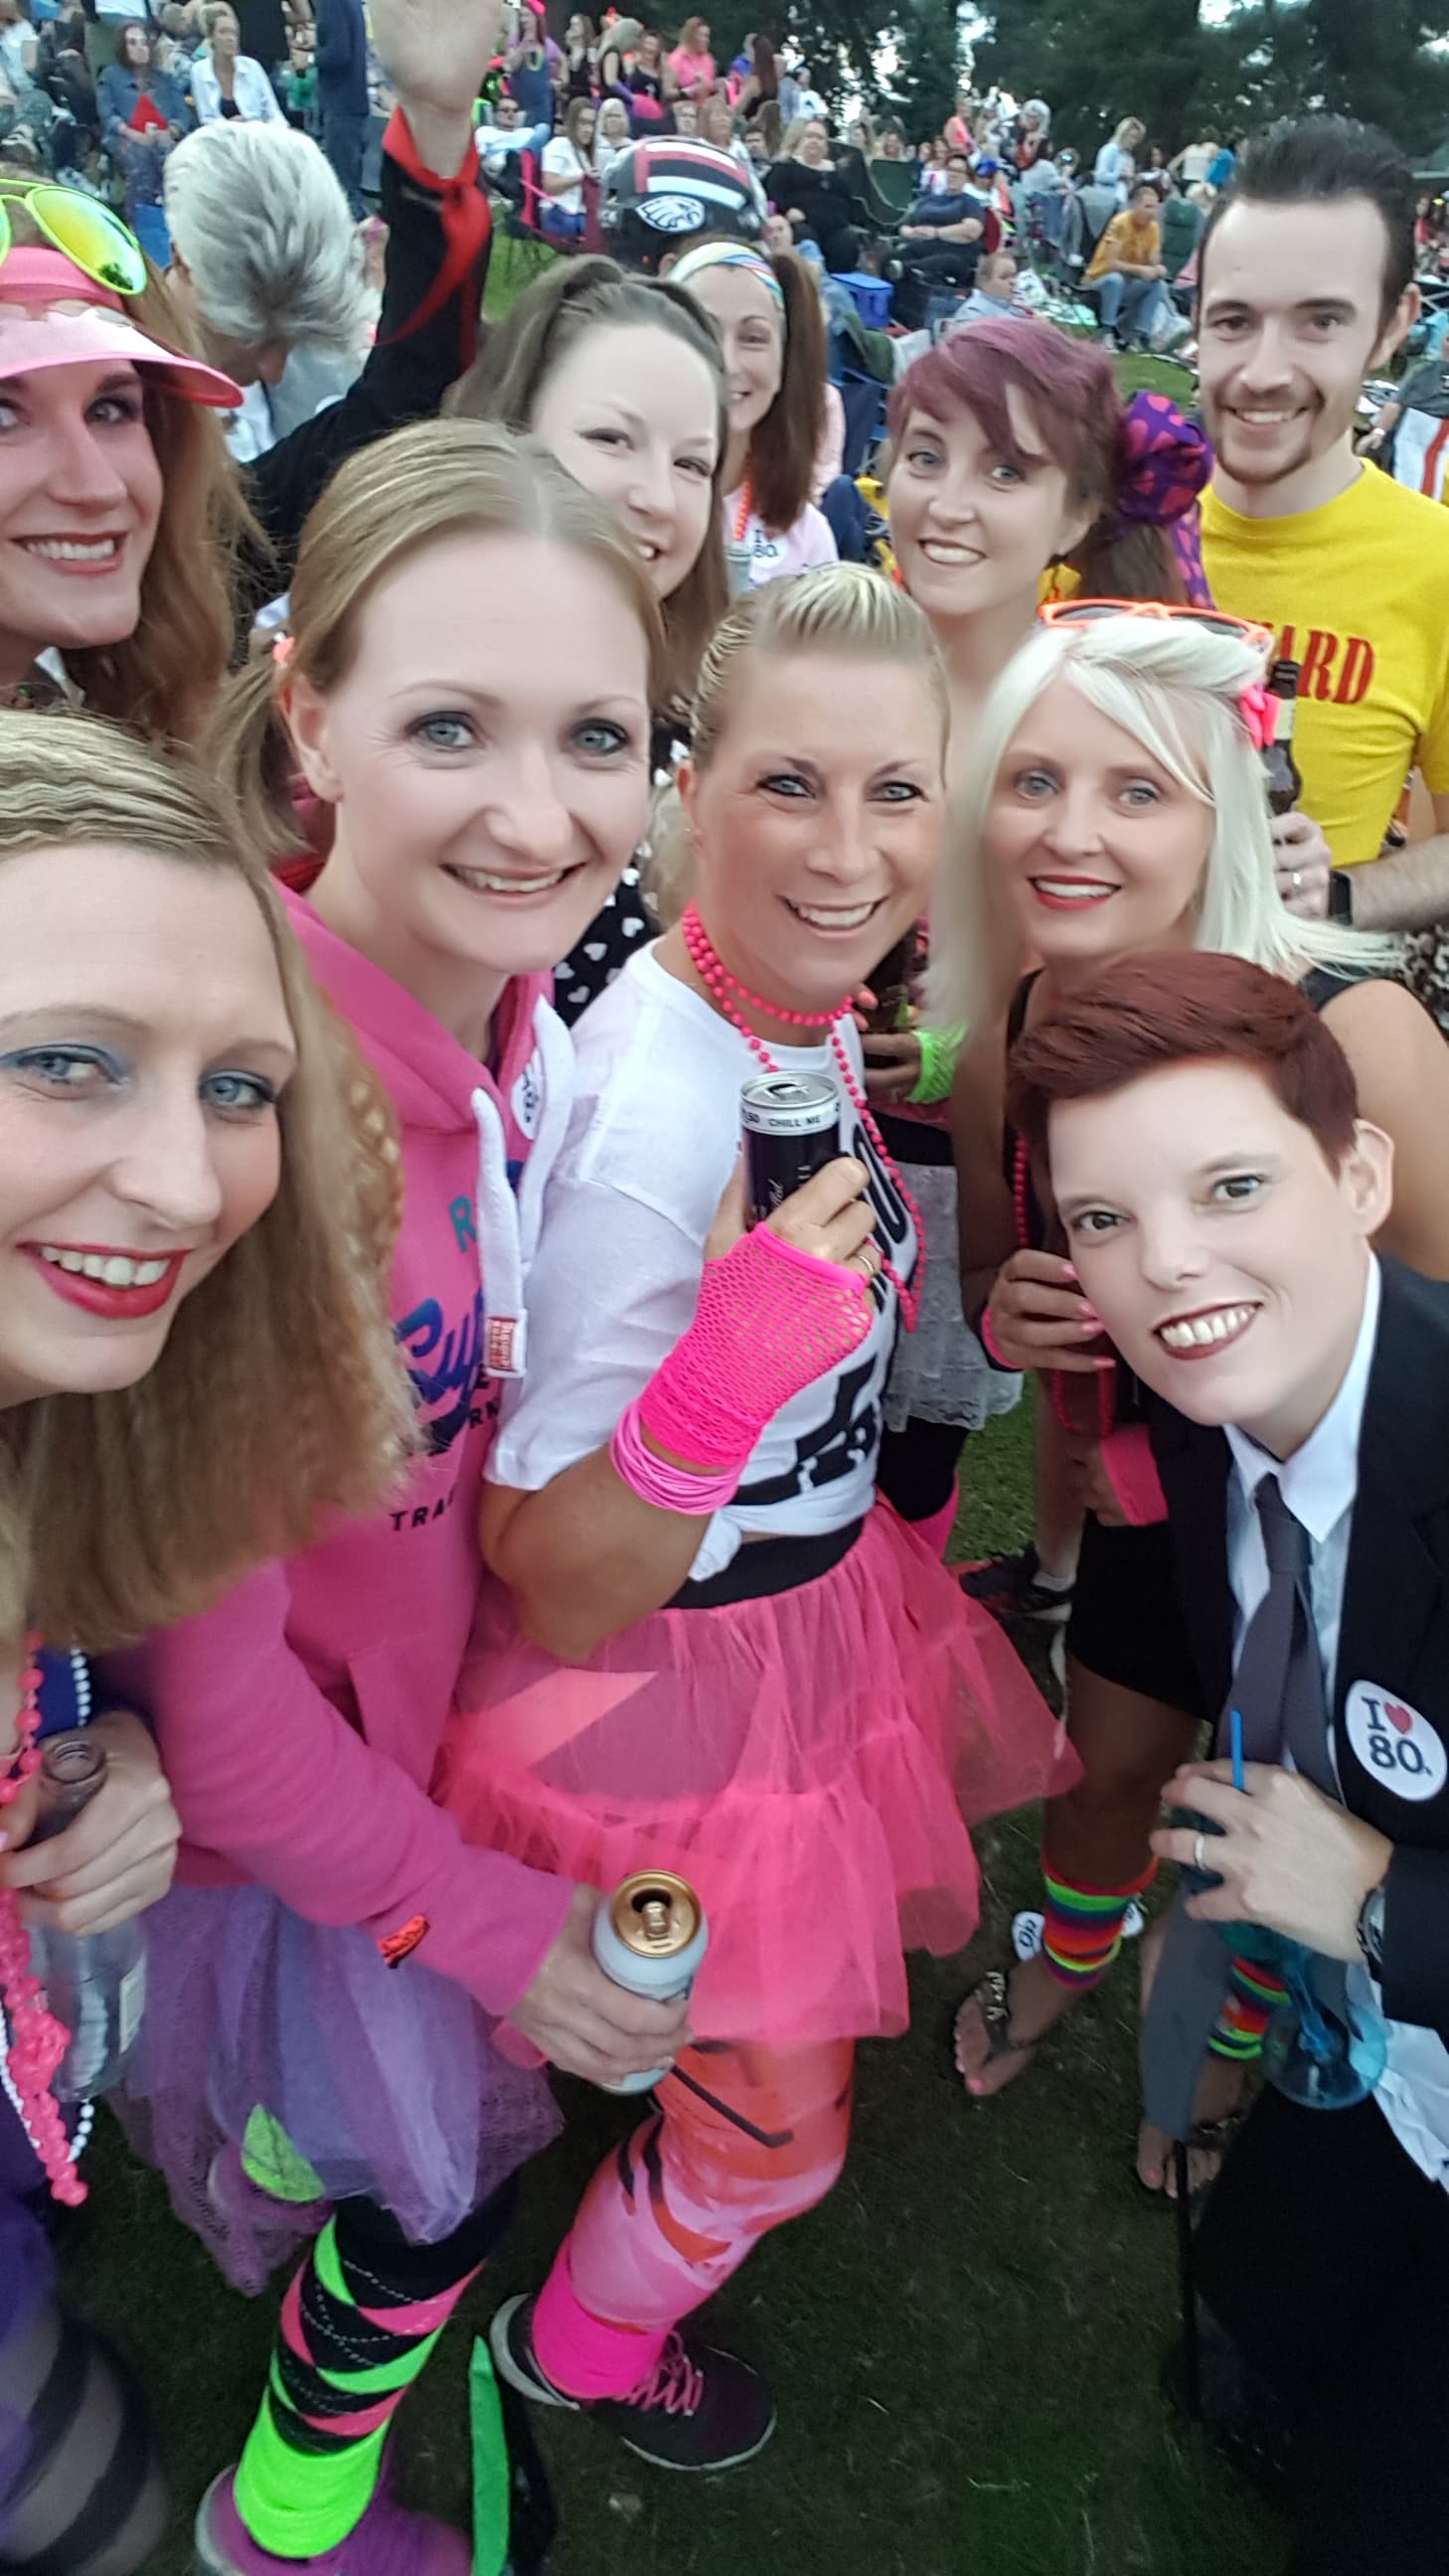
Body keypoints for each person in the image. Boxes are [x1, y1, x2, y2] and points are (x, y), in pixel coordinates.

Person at [111, 422, 679, 2576]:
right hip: (297, 1846)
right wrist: (490, 1931)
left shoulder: (512, 1019)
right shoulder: (251, 1126)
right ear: (308, 716)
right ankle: (278, 2523)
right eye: (452, 726)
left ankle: (294, 2217)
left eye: (597, 736)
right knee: (436, 2198)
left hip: (410, 1766)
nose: (539, 816)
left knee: (374, 2150)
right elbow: (217, 1711)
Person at [440, 564, 1069, 2470]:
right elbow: (547, 1576)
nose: (848, 851)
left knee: (682, 2035)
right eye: (789, 783)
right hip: (661, 1692)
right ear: (690, 788)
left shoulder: (778, 1007)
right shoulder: (658, 1114)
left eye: (895, 791)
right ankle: (571, 2351)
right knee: (770, 2138)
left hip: (787, 1624)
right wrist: (725, 1376)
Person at [941, 609, 1449, 2198]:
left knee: (1288, 1811)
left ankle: (1221, 2043)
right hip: (1148, 1509)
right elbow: (987, 1274)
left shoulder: (1348, 1026)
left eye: (1136, 790)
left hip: (1358, 1552)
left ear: (1220, 808)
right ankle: (1068, 1957)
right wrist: (1012, 1311)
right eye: (1032, 780)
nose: (1071, 832)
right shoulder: (1013, 1023)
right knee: (1105, 1770)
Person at [0, 708, 414, 2575]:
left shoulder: (62, 1423)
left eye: (240, 1087)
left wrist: (106, 1751)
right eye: (66, 1061)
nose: (184, 1185)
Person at [1009, 947, 1449, 2576]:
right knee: (1250, 2322)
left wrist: (1382, 1908)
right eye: (1102, 1218)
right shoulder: (1208, 1415)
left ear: (1360, 1176)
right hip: (1364, 2071)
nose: (1165, 1267)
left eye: (1231, 1187)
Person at [0, 0, 499, 727]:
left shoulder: (187, 537)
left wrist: (438, 123)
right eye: (5, 415)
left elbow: (400, 409)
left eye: (112, 408)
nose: (94, 482)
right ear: (181, 265)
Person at [448, 253, 727, 1016]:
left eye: (693, 463)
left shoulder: (703, 733)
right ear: (514, 431)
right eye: (612, 438)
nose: (657, 496)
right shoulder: (404, 698)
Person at [1196, 116, 1449, 936]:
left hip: (1297, 991)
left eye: (1321, 322)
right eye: (1234, 320)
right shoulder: (1097, 524)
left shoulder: (1436, 567)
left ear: (1394, 325)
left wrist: (1336, 897)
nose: (1264, 372)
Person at [670, 237, 836, 585]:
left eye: (753, 338)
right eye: (703, 330)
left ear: (782, 361)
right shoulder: (619, 495)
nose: (728, 363)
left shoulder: (806, 538)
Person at [96, 16, 192, 262]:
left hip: (162, 137)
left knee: (170, 156)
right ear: (123, 48)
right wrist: (133, 134)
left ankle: (180, 223)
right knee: (140, 159)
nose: (140, 47)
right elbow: (107, 115)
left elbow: (182, 114)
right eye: (132, 42)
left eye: (143, 42)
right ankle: (139, 228)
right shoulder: (111, 76)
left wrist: (170, 131)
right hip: (126, 136)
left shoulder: (165, 79)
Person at [893, 145, 992, 327]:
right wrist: (912, 232)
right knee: (892, 256)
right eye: (950, 169)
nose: (953, 174)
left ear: (967, 177)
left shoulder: (970, 203)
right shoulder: (928, 199)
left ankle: (904, 269)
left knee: (941, 261)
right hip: (919, 245)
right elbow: (903, 226)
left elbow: (972, 230)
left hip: (956, 255)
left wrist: (936, 233)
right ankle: (892, 309)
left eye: (959, 171)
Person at [1087, 175, 1179, 351]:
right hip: (1100, 280)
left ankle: (1138, 335)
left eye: (1155, 207)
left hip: (1128, 283)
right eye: (1147, 207)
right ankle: (1106, 332)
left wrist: (1158, 269)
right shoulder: (1120, 223)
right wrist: (1140, 270)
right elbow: (1112, 264)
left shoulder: (1153, 228)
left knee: (1157, 285)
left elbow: (1153, 261)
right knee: (1115, 280)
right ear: (1135, 206)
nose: (1152, 212)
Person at [767, 115, 861, 273]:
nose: (814, 141)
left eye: (819, 138)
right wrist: (786, 211)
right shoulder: (785, 167)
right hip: (801, 225)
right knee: (805, 237)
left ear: (826, 145)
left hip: (835, 229)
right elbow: (773, 195)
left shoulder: (838, 173)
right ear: (800, 141)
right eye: (809, 136)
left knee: (847, 242)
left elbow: (848, 202)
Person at [315, 0, 369, 218]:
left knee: (342, 193)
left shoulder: (332, 2)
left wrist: (310, 57)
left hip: (339, 102)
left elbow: (338, 54)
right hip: (355, 101)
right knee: (351, 187)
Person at [192, 2, 284, 122]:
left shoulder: (252, 67)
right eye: (223, 32)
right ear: (211, 37)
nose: (230, 38)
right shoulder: (199, 70)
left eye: (234, 33)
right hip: (218, 132)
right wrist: (233, 126)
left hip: (255, 129)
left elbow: (273, 112)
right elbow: (207, 118)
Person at [540, 92, 596, 238]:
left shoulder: (584, 153)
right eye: (583, 123)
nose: (588, 129)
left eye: (592, 124)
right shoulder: (559, 144)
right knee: (580, 226)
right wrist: (582, 178)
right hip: (557, 212)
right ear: (572, 123)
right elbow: (550, 186)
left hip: (579, 212)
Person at [947, 242, 1020, 324]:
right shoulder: (972, 313)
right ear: (984, 282)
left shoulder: (1019, 307)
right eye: (1004, 277)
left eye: (1014, 276)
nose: (1013, 281)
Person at [1093, 113, 1143, 203]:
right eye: (1132, 136)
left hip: (1121, 201)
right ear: (1123, 134)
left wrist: (1134, 181)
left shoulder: (1130, 159)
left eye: (1136, 138)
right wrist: (1120, 175)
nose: (1134, 141)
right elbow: (1100, 176)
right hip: (1104, 200)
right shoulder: (1110, 149)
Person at [666, 11, 713, 99]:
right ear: (691, 36)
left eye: (707, 36)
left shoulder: (708, 59)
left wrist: (704, 80)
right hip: (682, 102)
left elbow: (710, 86)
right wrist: (686, 91)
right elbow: (667, 91)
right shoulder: (677, 58)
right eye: (701, 36)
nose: (706, 40)